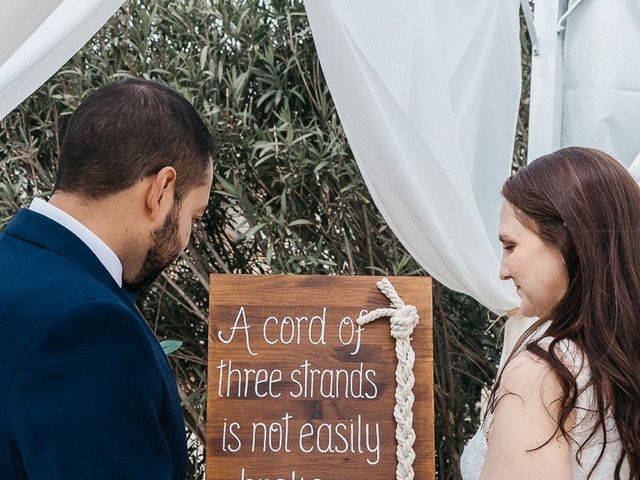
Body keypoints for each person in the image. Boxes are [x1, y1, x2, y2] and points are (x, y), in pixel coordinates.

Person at [0, 78, 215, 479]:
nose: (186, 239)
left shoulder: (11, 265)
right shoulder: (89, 328)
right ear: (161, 190)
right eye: (194, 217)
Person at [460, 147, 639, 479]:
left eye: (510, 246)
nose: (502, 271)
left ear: (568, 242)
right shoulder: (622, 364)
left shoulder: (544, 374)